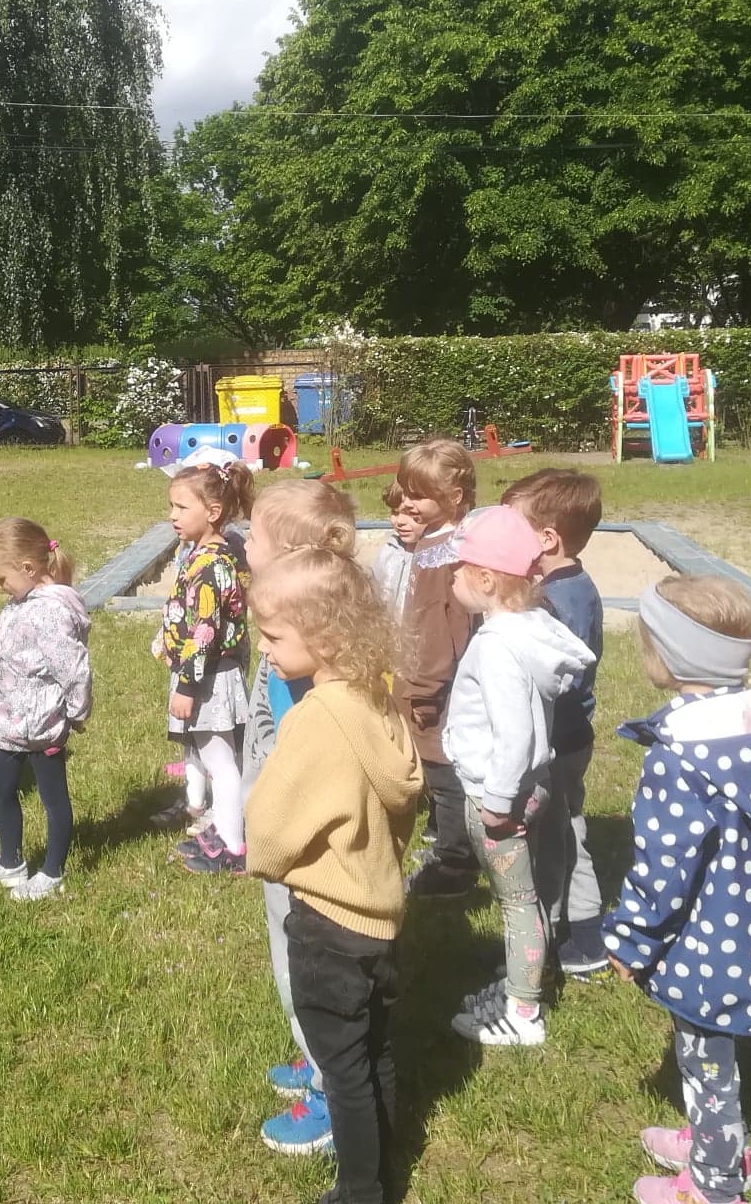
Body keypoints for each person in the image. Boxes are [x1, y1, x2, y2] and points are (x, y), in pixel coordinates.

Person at [606, 574, 751, 1204]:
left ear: (669, 655)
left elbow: (662, 869)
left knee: (706, 1062)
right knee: (713, 1053)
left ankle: (716, 1182)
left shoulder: (680, 755)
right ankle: (711, 1139)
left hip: (706, 941)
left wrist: (630, 940)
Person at [245, 547, 423, 1204]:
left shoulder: (319, 716)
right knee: (374, 1053)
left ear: (322, 635)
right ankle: (383, 1167)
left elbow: (269, 824)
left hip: (326, 922)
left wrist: (265, 860)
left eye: (273, 636)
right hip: (379, 915)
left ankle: (359, 1191)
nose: (264, 649)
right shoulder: (376, 696)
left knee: (341, 1069)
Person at [238, 479, 360, 1157]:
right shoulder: (296, 640)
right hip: (283, 832)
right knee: (295, 961)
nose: (243, 542)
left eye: (253, 534)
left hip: (302, 849)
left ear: (287, 554)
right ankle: (317, 1056)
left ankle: (330, 1091)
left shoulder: (309, 667)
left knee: (305, 968)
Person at [443, 504, 593, 1047]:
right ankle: (527, 977)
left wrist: (496, 802)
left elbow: (514, 733)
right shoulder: (532, 628)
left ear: (486, 579)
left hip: (500, 793)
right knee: (531, 894)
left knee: (517, 903)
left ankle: (523, 1012)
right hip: (534, 783)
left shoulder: (498, 646)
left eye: (458, 570)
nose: (452, 579)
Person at [501, 468, 608, 975]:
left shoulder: (555, 601)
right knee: (568, 828)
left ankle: (568, 936)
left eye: (513, 530)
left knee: (557, 838)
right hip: (572, 735)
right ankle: (579, 930)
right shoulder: (575, 584)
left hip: (557, 739)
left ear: (546, 539)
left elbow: (553, 677)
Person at [0, 517, 91, 902]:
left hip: (43, 726)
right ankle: (11, 863)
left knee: (54, 800)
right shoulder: (22, 603)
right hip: (11, 722)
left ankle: (52, 872)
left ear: (28, 568)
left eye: (1, 578)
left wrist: (76, 712)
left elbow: (73, 669)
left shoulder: (50, 611)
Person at [390, 438, 481, 900]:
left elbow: (439, 630)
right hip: (441, 679)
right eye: (405, 490)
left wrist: (422, 689)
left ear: (454, 497)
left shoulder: (443, 554)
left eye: (419, 495)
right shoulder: (445, 542)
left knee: (445, 775)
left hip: (437, 688)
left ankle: (454, 862)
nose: (407, 502)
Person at [158, 459, 254, 874]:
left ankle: (233, 848)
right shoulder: (203, 554)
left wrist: (186, 686)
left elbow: (205, 633)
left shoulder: (211, 565)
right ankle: (222, 829)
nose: (172, 515)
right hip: (205, 675)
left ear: (213, 512)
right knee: (212, 755)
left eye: (182, 507)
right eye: (172, 506)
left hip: (208, 680)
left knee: (221, 763)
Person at [371, 479, 419, 620]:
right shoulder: (388, 551)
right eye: (395, 512)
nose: (400, 521)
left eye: (410, 513)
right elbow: (374, 593)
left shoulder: (433, 558)